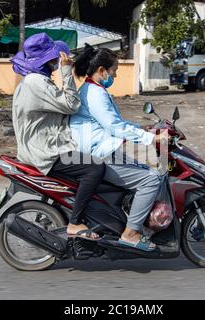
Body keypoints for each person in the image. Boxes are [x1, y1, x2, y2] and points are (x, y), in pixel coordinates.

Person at [70, 45, 169, 251]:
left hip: (103, 150)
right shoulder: (95, 94)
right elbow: (114, 127)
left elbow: (116, 122)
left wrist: (145, 130)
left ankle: (137, 221)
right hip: (100, 154)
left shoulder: (94, 90)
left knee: (150, 170)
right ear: (101, 71)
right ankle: (131, 233)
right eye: (114, 70)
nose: (115, 74)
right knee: (151, 179)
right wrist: (150, 139)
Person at [11, 33, 106, 240]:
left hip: (42, 147)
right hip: (46, 153)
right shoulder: (36, 83)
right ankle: (74, 223)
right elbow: (71, 104)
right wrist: (66, 71)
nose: (57, 62)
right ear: (47, 60)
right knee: (95, 168)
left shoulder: (34, 81)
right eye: (55, 59)